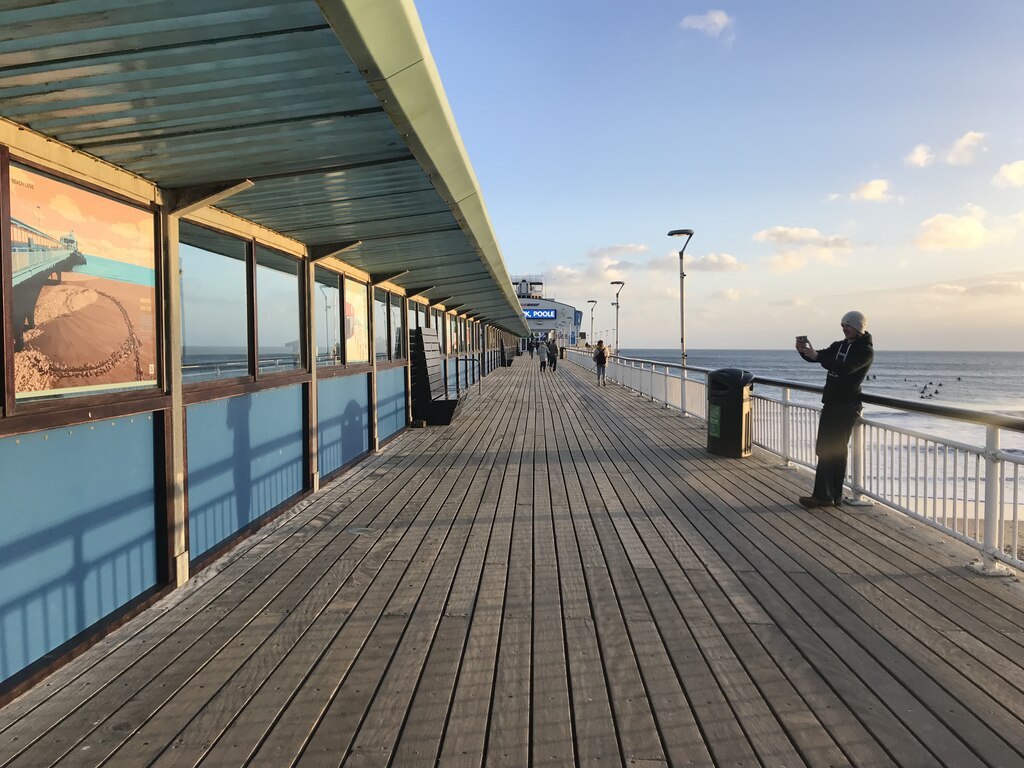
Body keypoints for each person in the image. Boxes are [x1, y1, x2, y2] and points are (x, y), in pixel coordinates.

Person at [795, 310, 874, 508]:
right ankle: (822, 495)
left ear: (858, 327)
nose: (844, 329)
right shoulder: (839, 346)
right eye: (842, 326)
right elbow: (819, 357)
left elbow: (846, 368)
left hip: (847, 406)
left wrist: (818, 357)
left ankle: (831, 496)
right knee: (824, 448)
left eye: (848, 325)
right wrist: (804, 351)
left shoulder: (865, 351)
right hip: (831, 403)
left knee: (835, 451)